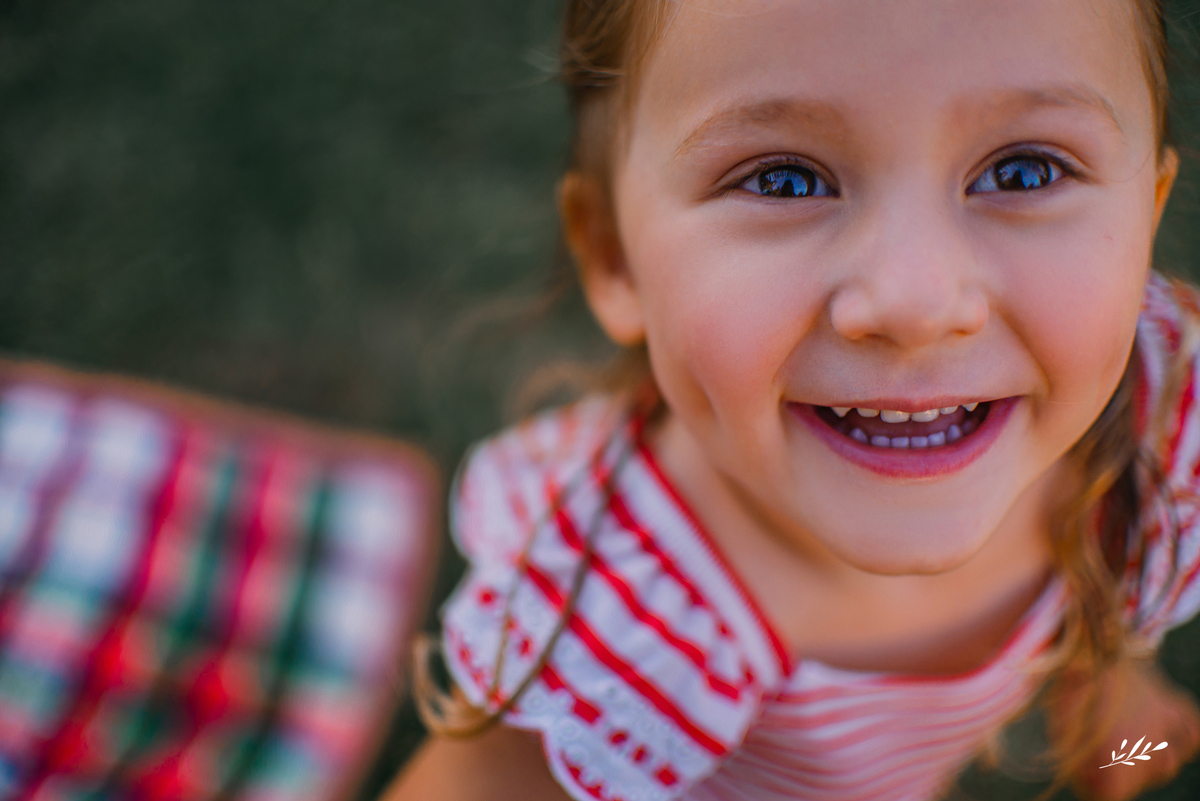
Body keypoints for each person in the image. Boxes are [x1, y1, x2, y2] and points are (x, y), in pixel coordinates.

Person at [387, 0, 1200, 798]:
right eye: (784, 179)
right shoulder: (620, 644)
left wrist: (1116, 710)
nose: (914, 303)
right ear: (616, 257)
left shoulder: (1159, 408)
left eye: (1025, 171)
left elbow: (1112, 591)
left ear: (1146, 221)